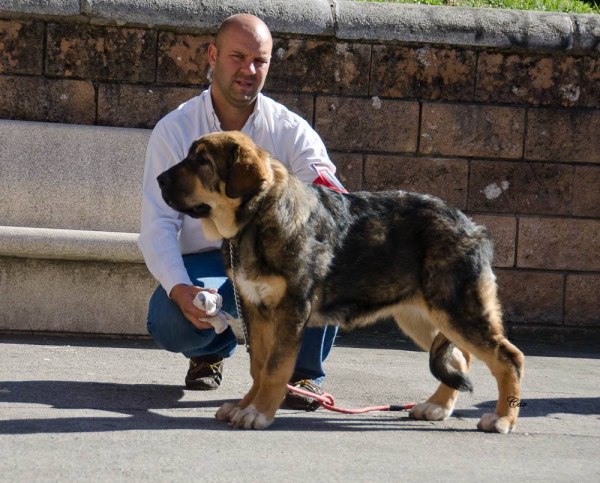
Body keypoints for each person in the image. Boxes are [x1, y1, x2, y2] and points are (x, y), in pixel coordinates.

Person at [138, 13, 342, 410]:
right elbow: (157, 224)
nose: (248, 69)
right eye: (237, 56)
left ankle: (303, 372)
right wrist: (181, 290)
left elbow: (331, 201)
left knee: (321, 263)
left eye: (259, 60)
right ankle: (212, 348)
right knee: (166, 318)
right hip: (208, 268)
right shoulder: (175, 129)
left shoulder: (291, 130)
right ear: (212, 56)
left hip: (276, 266)